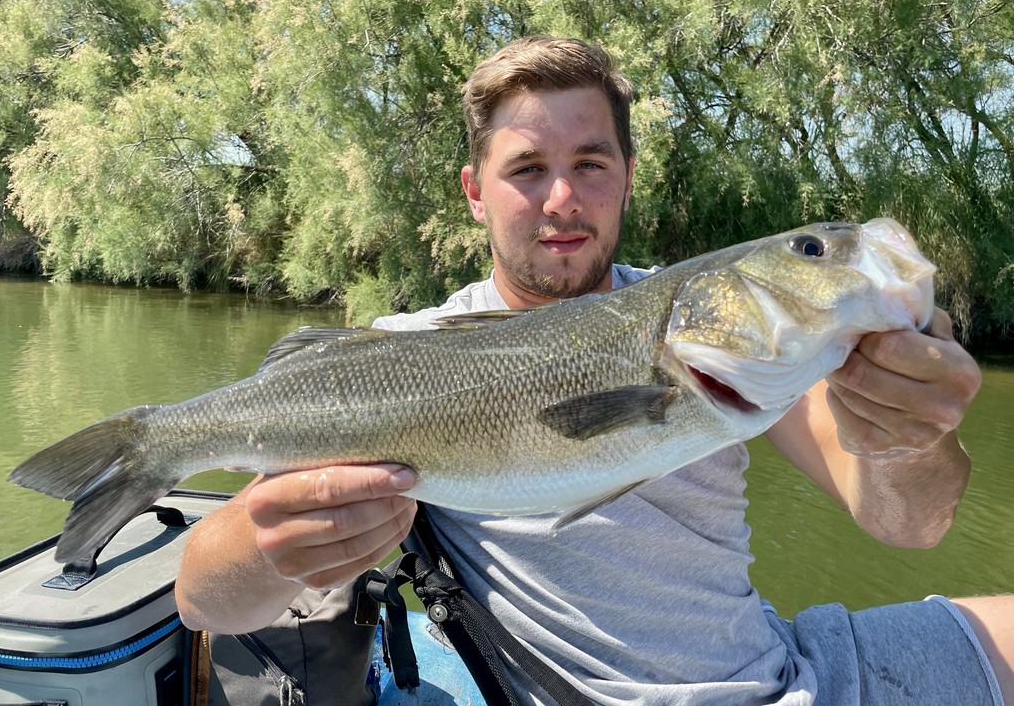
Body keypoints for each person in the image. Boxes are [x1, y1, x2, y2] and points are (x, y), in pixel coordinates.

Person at [176, 36, 1013, 705]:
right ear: (475, 192)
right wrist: (268, 541)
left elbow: (911, 525)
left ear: (627, 178)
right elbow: (203, 601)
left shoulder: (750, 358)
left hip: (780, 666)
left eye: (590, 163)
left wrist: (906, 434)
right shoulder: (401, 357)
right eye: (526, 169)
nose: (562, 199)